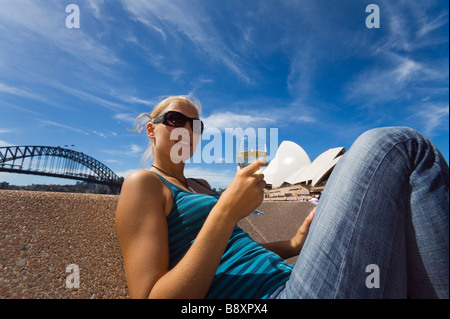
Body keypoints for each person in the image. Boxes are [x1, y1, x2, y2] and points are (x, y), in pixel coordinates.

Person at [115, 95, 449, 299]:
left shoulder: (201, 185)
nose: (187, 130)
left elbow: (230, 252)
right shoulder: (143, 183)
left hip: (296, 277)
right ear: (151, 128)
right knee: (398, 146)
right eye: (175, 120)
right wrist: (225, 213)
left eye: (195, 126)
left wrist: (292, 246)